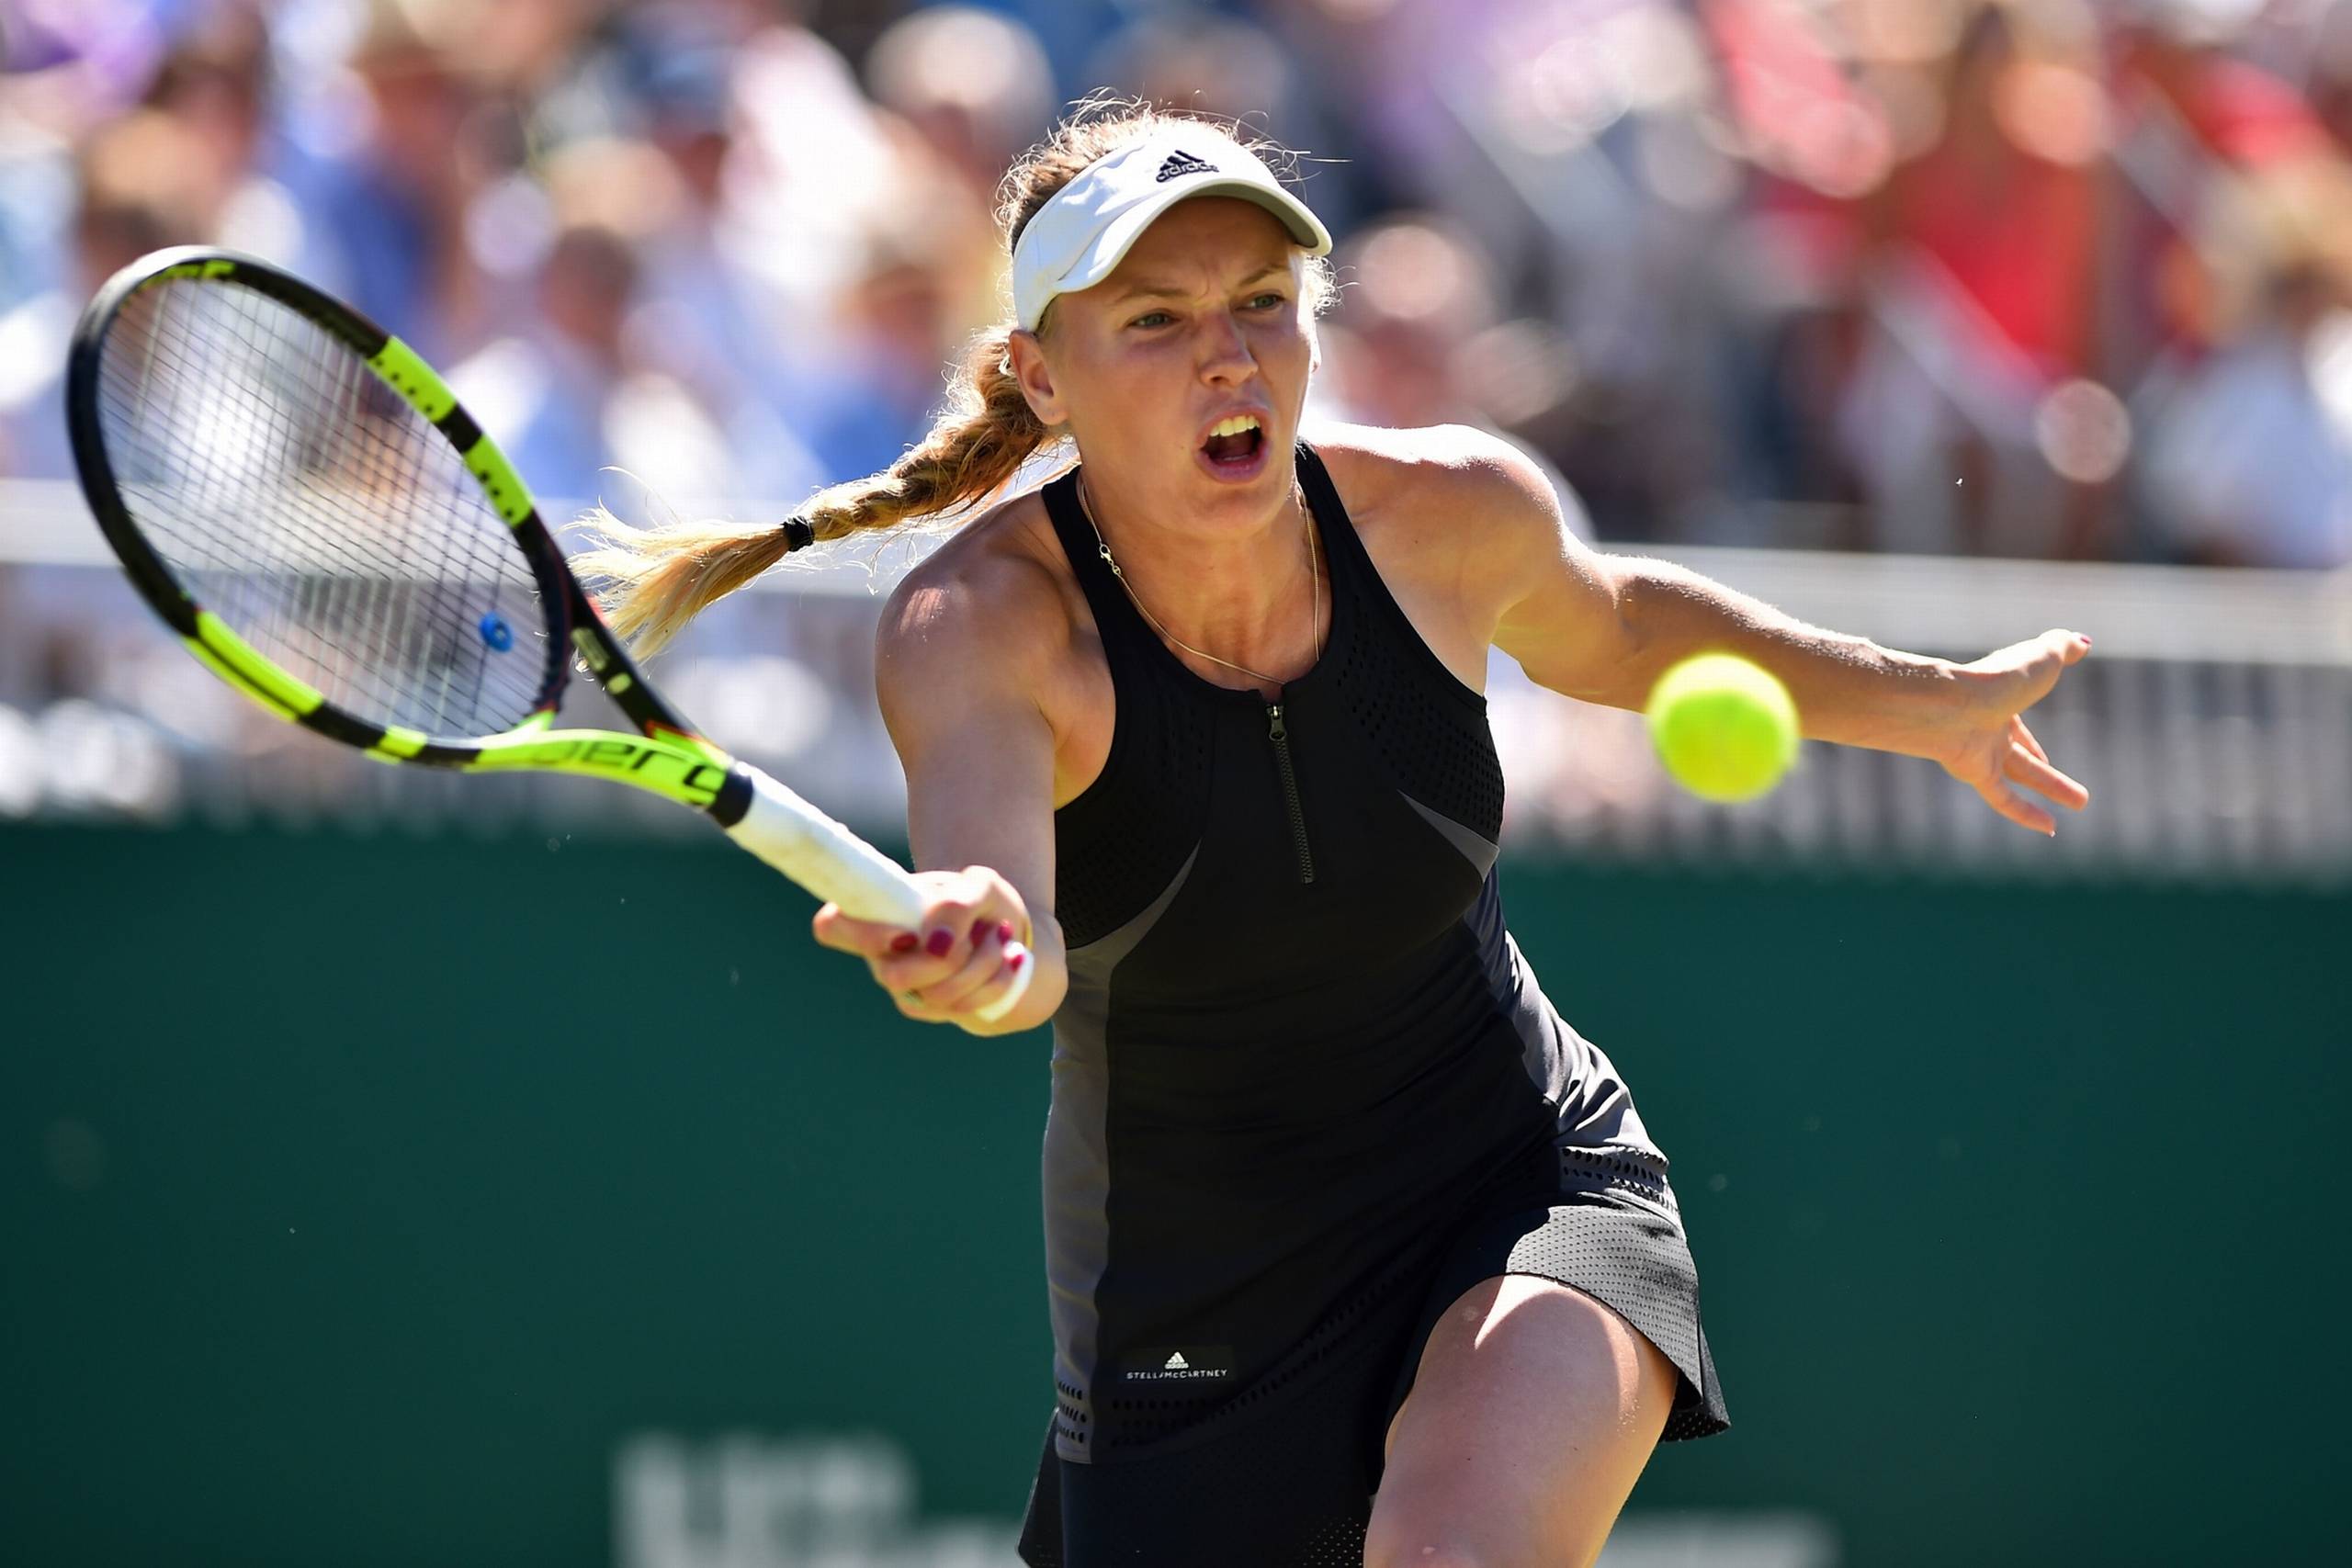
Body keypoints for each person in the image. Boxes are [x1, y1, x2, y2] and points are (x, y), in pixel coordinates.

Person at [580, 103, 2094, 1568]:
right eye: (1154, 322)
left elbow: (1624, 627)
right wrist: (971, 952)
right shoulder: (979, 625)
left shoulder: (1447, 515)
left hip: (1518, 1181)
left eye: (1260, 300)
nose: (1228, 355)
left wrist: (1929, 702)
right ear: (1041, 380)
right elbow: (1013, 934)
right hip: (1190, 1305)